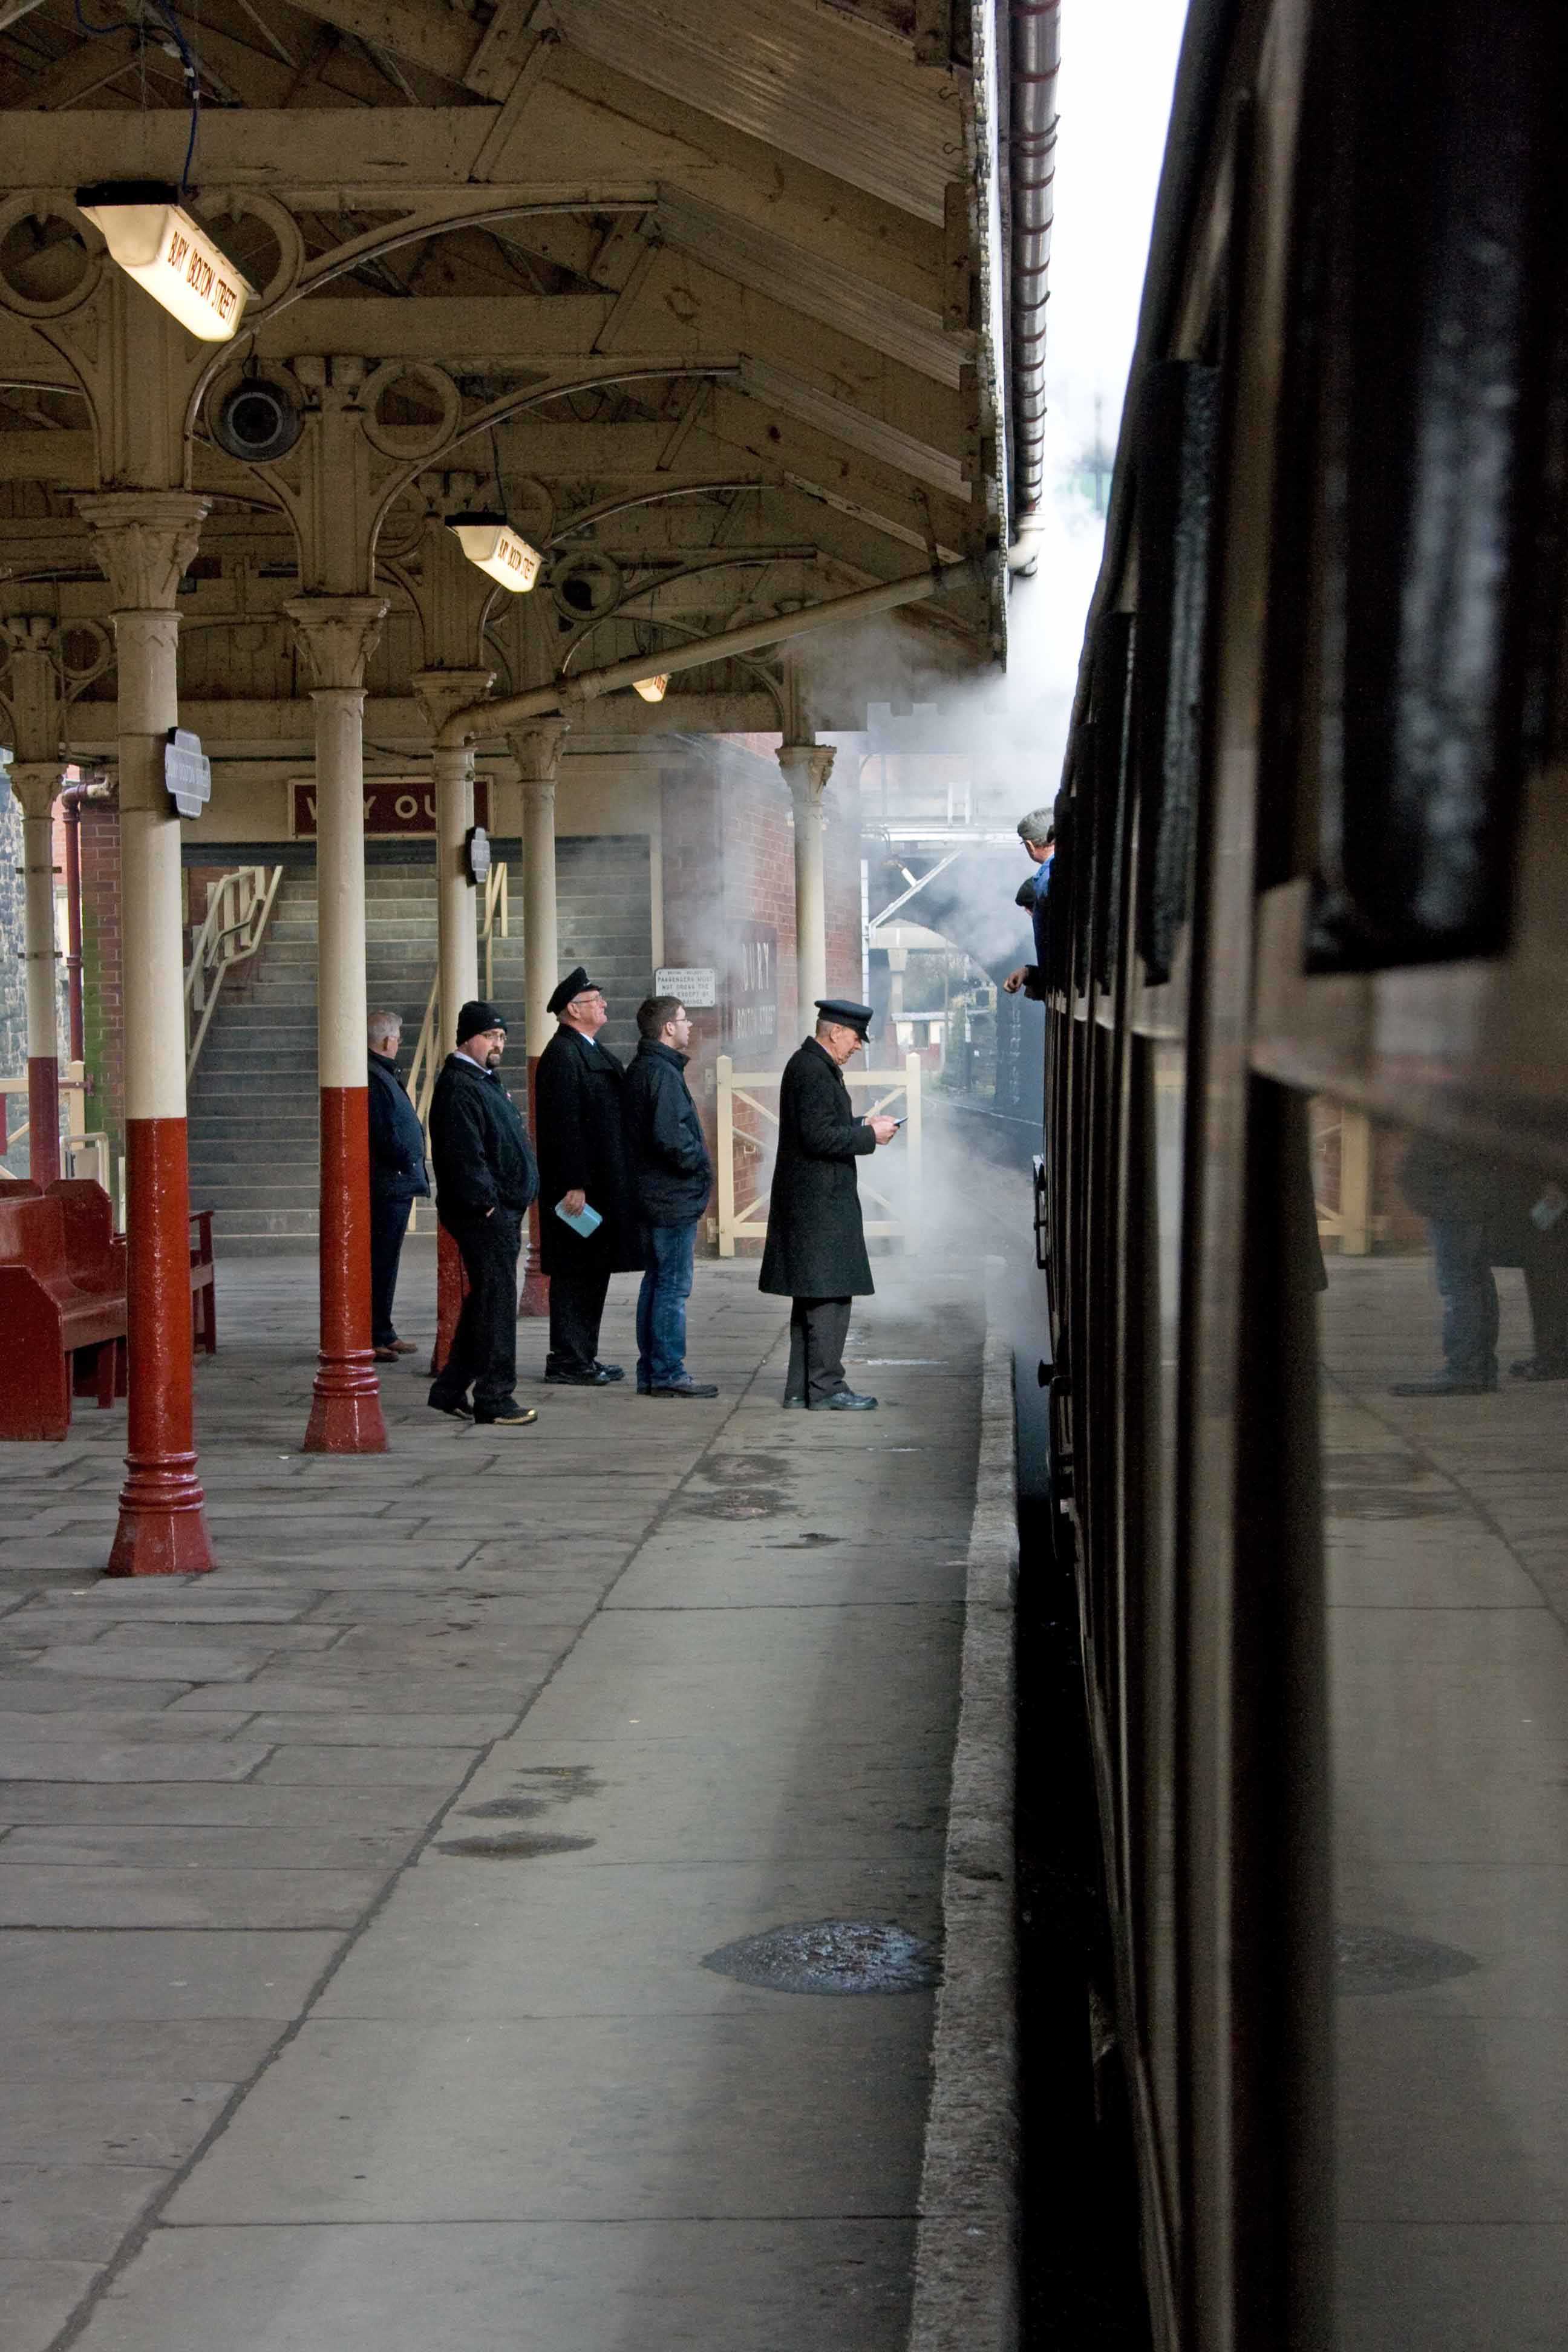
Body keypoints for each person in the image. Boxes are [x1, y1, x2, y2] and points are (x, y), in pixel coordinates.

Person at [759, 998, 901, 1411]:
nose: (858, 1046)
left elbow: (821, 1128)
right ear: (835, 1031)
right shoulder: (814, 1071)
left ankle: (802, 1388)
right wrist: (869, 1137)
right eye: (856, 1038)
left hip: (812, 1201)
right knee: (830, 1297)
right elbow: (818, 1138)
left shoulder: (810, 1066)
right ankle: (828, 1389)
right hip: (819, 1204)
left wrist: (862, 1126)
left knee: (812, 1296)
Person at [426, 999, 538, 1428]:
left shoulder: (484, 1080)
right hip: (484, 1216)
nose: (499, 1044)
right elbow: (463, 1158)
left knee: (485, 1303)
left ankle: (451, 1389)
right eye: (491, 1036)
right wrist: (489, 1205)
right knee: (496, 1306)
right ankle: (494, 1397)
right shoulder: (459, 1086)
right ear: (467, 1038)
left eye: (503, 1037)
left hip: (499, 1211)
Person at [534, 965, 645, 1386]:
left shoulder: (590, 1049)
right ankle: (567, 1358)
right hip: (579, 1190)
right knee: (575, 1275)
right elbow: (563, 1126)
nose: (603, 1005)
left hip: (601, 1183)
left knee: (592, 1271)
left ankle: (584, 1355)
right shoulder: (563, 1055)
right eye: (595, 1001)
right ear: (573, 1010)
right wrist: (573, 1182)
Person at [1390, 1137, 1568, 1396]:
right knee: (1473, 1279)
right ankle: (1481, 1367)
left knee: (1461, 1283)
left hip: (1458, 1194)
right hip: (1471, 1193)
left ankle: (1467, 1368)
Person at [622, 994, 717, 1399]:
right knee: (673, 1288)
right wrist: (699, 1162)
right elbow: (671, 1138)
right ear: (668, 1028)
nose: (690, 1025)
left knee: (657, 1282)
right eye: (684, 1019)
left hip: (654, 1193)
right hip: (670, 1195)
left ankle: (652, 1371)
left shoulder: (649, 1068)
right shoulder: (660, 1073)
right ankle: (667, 1372)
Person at [365, 1010, 429, 1364]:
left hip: (397, 1182)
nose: (401, 1043)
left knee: (387, 1262)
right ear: (389, 1041)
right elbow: (383, 1131)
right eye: (399, 1038)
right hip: (389, 1183)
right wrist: (407, 1158)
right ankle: (373, 1332)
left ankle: (383, 1330)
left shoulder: (382, 1073)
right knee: (380, 1261)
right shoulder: (376, 1077)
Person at [1002, 807, 1056, 999]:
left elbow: (1059, 959)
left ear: (1030, 846)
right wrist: (1029, 973)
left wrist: (1039, 978)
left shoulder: (1046, 880)